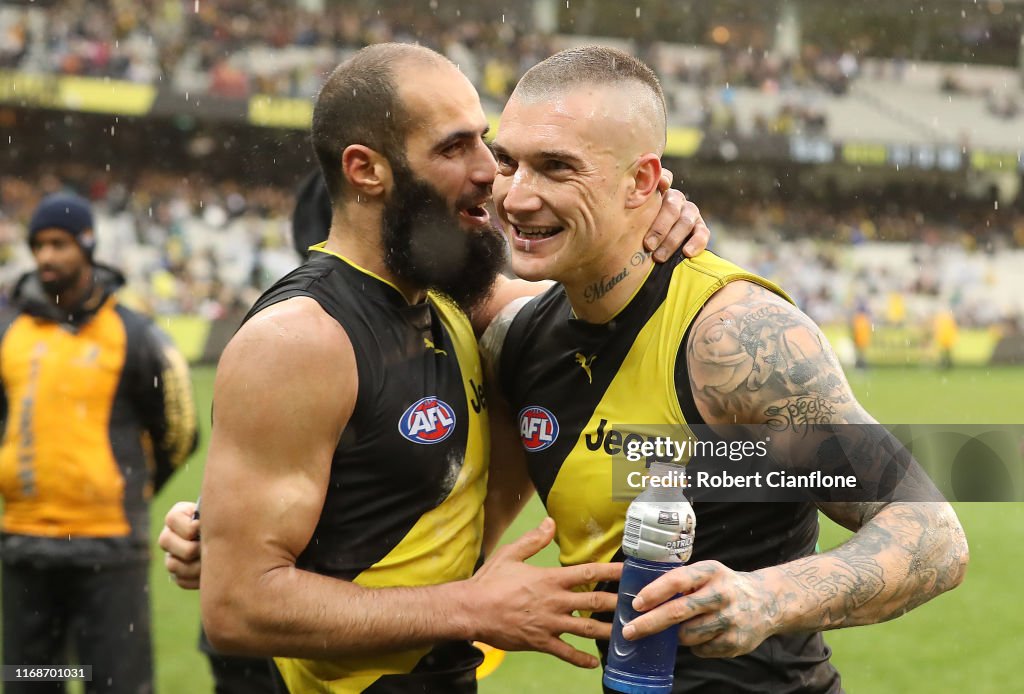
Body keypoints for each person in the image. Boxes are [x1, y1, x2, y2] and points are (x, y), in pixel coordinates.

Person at [181, 42, 709, 694]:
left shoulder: (456, 302)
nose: (493, 171)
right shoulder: (299, 340)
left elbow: (612, 310)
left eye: (485, 142)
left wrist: (648, 207)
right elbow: (237, 608)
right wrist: (472, 606)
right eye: (455, 148)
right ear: (366, 170)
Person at [482, 46, 968, 692]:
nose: (515, 196)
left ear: (643, 183)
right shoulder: (517, 337)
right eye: (507, 161)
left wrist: (766, 599)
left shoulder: (733, 338)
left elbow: (932, 534)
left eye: (556, 167)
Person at [0, 192, 198, 694]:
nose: (46, 256)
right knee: (31, 683)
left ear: (87, 245)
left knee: (116, 684)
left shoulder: (133, 334)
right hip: (25, 545)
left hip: (108, 548)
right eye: (39, 245)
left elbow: (178, 429)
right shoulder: (9, 330)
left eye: (60, 244)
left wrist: (130, 486)